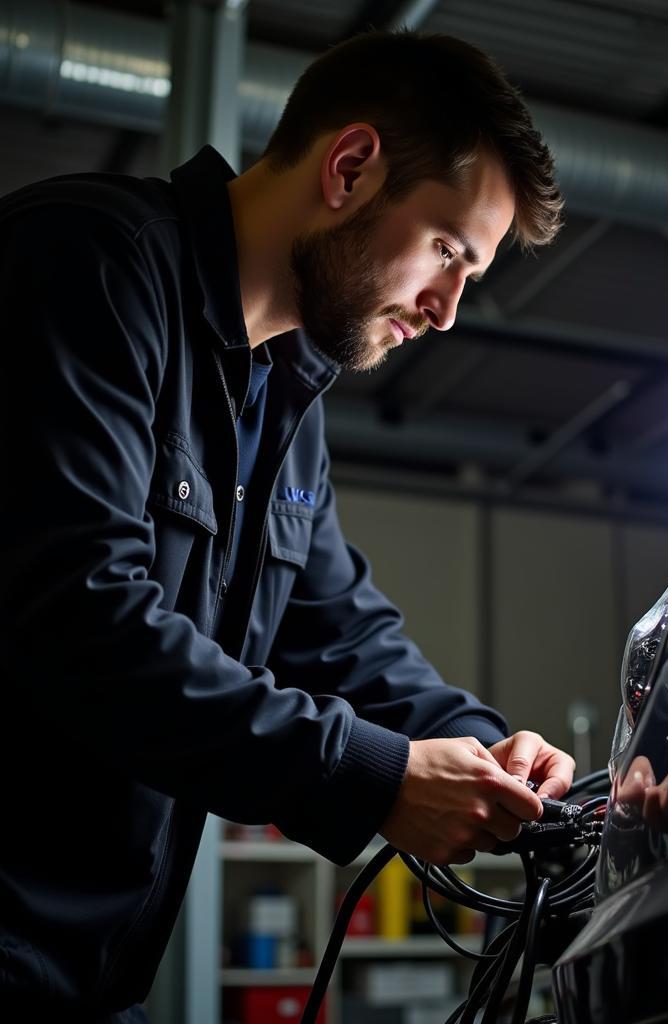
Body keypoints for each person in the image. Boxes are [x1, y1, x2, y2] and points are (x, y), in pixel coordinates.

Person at [0, 30, 570, 1022]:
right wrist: (376, 775)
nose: (444, 311)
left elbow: (344, 639)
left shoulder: (286, 408)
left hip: (84, 977)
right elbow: (79, 615)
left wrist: (493, 760)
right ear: (349, 168)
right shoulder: (88, 266)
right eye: (447, 249)